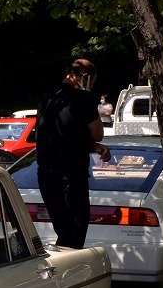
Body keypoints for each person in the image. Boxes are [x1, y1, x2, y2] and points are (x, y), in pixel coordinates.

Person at [37, 58, 111, 249]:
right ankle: (65, 275)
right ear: (85, 77)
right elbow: (98, 133)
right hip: (70, 175)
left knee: (64, 232)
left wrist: (92, 146)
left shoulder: (48, 97)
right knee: (74, 234)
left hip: (46, 174)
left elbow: (62, 134)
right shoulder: (83, 98)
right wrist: (87, 94)